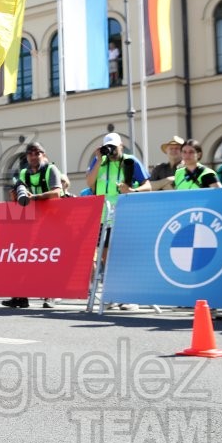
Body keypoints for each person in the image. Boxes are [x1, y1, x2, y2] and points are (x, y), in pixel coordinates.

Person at [86, 132, 151, 311]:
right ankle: (113, 295)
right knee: (106, 257)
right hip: (102, 215)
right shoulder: (99, 162)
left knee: (122, 256)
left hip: (124, 214)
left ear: (121, 146)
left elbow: (148, 186)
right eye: (109, 147)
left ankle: (129, 297)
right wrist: (98, 160)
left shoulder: (130, 161)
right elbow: (90, 183)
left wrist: (131, 190)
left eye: (114, 146)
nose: (112, 150)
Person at [3, 142, 63, 309]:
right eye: (30, 153)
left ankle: (50, 295)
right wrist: (15, 196)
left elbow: (57, 192)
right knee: (24, 258)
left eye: (37, 152)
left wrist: (35, 197)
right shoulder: (23, 172)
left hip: (52, 221)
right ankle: (21, 296)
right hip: (30, 221)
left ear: (43, 154)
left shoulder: (51, 170)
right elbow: (22, 198)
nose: (33, 156)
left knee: (47, 260)